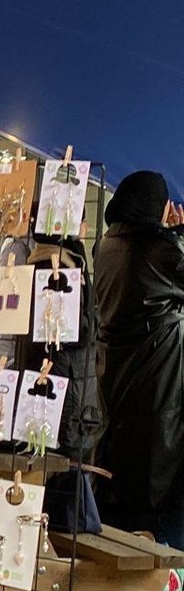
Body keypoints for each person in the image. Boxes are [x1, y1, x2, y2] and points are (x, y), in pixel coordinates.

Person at [93, 170, 184, 548]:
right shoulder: (158, 251)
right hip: (157, 391)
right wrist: (177, 236)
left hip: (117, 385)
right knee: (161, 501)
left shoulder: (106, 248)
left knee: (124, 491)